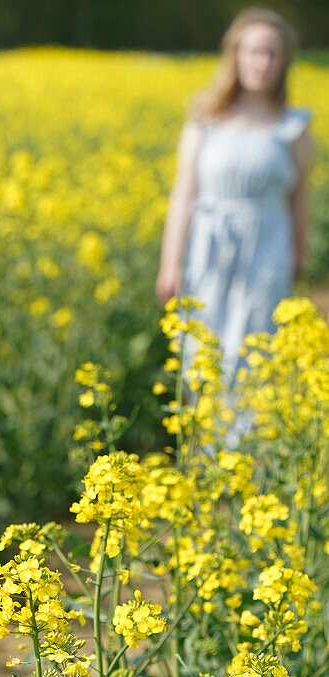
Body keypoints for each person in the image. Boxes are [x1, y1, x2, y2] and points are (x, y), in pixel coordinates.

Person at [156, 8, 313, 433]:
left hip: (268, 249)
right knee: (204, 344)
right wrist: (170, 265)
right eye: (252, 52)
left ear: (284, 62)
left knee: (253, 346)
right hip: (209, 248)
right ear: (235, 56)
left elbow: (300, 200)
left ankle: (244, 456)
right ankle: (205, 450)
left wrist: (298, 256)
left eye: (271, 54)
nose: (261, 62)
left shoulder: (294, 128)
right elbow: (183, 194)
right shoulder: (204, 119)